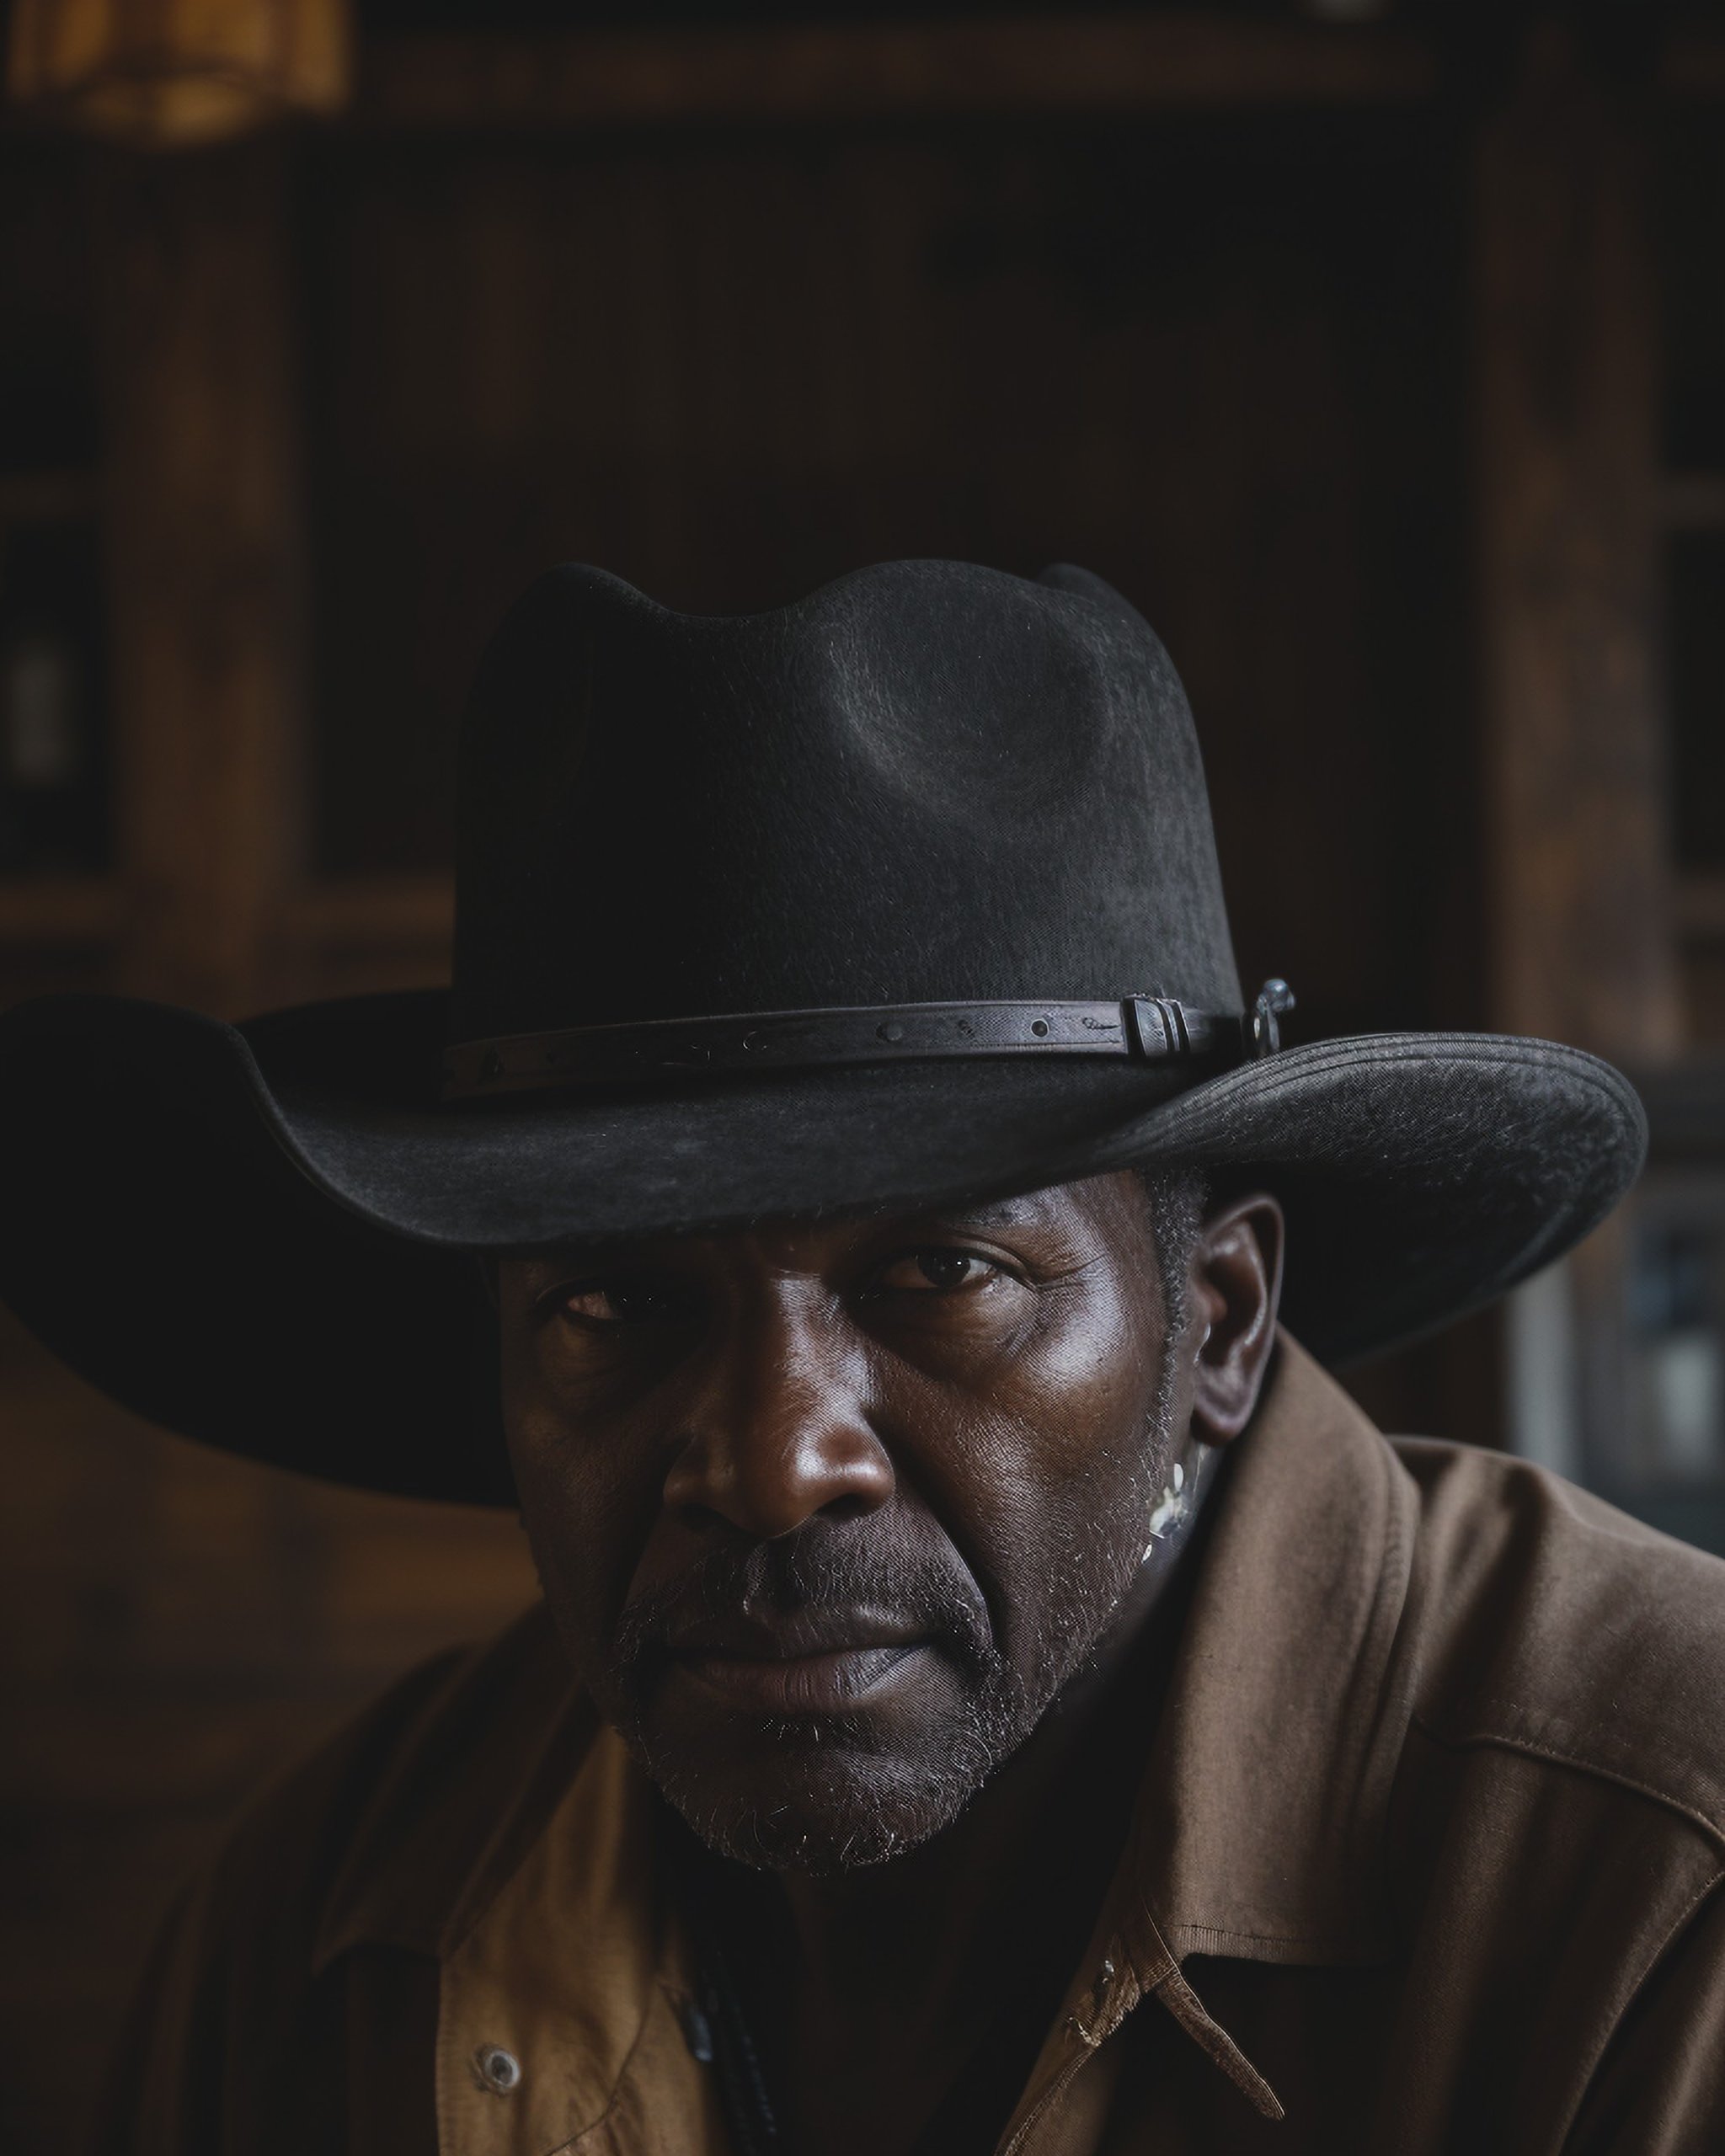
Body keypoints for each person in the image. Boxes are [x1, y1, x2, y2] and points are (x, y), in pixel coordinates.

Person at [2, 560, 1717, 2156]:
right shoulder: (320, 1933)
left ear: (1218, 1315)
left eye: (940, 1269)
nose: (771, 1458)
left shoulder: (1652, 1892)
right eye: (613, 1302)